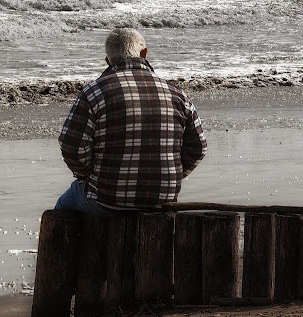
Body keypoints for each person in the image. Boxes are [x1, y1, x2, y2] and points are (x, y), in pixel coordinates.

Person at [56, 28, 206, 215]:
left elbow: (71, 147)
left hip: (107, 200)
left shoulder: (94, 93)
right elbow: (198, 147)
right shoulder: (177, 94)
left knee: (62, 208)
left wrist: (87, 174)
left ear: (108, 61)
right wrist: (171, 176)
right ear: (144, 54)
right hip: (162, 202)